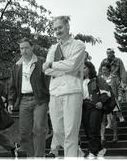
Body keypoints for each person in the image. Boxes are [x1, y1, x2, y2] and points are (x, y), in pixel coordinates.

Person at [43, 15, 85, 157]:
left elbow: (72, 64)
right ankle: (77, 153)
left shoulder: (78, 45)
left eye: (60, 27)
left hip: (72, 91)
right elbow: (46, 70)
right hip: (54, 92)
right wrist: (62, 68)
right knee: (58, 130)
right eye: (55, 29)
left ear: (67, 26)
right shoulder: (53, 49)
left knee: (71, 131)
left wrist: (53, 65)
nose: (58, 31)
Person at [7, 37, 50, 157]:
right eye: (21, 48)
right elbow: (12, 85)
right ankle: (31, 156)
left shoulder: (41, 62)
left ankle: (39, 157)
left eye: (26, 47)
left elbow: (48, 81)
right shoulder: (17, 65)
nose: (24, 51)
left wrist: (51, 100)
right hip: (23, 101)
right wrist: (10, 101)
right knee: (24, 132)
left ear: (32, 48)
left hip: (39, 100)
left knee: (38, 129)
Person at [82, 61, 107, 158]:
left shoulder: (97, 79)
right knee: (88, 130)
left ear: (90, 69)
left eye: (84, 68)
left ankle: (92, 151)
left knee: (93, 128)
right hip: (84, 107)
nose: (82, 70)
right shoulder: (80, 81)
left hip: (95, 107)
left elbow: (106, 92)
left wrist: (101, 102)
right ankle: (100, 149)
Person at [100, 63, 124, 144]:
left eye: (105, 69)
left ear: (108, 69)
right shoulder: (100, 78)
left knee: (113, 118)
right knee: (102, 119)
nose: (103, 71)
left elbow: (119, 87)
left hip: (112, 99)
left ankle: (115, 135)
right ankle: (102, 137)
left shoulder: (114, 77)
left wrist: (120, 96)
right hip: (103, 100)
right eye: (102, 69)